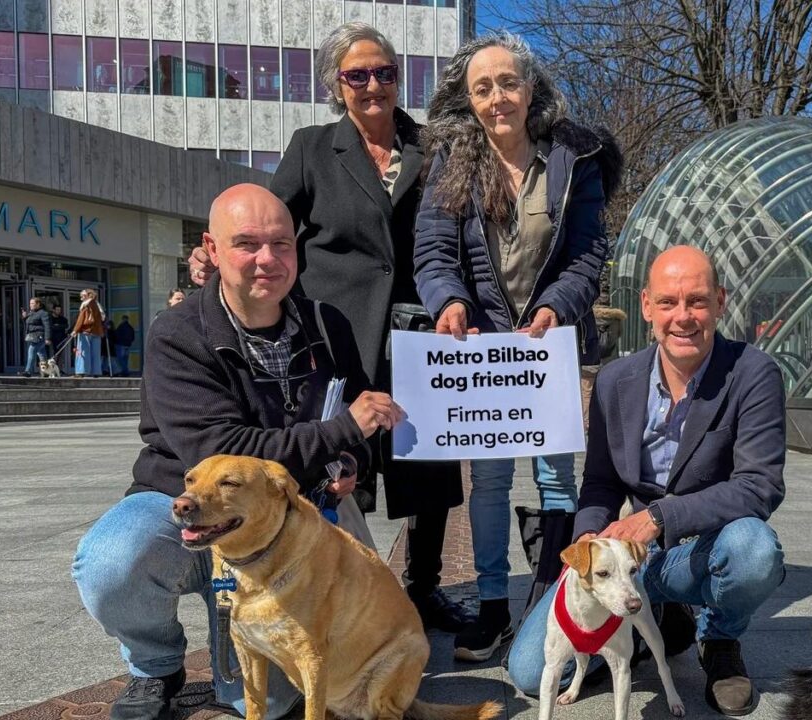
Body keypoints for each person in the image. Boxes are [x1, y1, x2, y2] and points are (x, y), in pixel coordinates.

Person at [72, 184, 402, 720]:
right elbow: (227, 451)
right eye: (247, 244)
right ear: (213, 248)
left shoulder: (327, 324)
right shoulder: (177, 334)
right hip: (187, 507)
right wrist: (342, 432)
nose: (267, 259)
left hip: (287, 520)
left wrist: (350, 462)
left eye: (281, 244)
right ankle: (156, 666)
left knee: (266, 704)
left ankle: (237, 633)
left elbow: (362, 420)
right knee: (112, 562)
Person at [187, 22, 473, 635]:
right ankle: (339, 584)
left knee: (427, 462)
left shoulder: (433, 148)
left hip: (420, 333)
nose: (372, 85)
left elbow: (452, 235)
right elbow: (267, 225)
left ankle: (424, 587)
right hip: (338, 331)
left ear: (399, 78)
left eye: (384, 73)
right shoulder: (312, 148)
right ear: (336, 86)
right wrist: (217, 258)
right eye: (356, 75)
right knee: (343, 456)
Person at [506, 246, 787, 716]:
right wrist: (589, 540)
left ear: (720, 301)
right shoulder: (615, 380)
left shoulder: (753, 374)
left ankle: (718, 639)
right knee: (531, 673)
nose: (683, 317)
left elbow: (760, 486)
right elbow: (600, 482)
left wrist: (658, 517)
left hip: (705, 546)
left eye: (697, 301)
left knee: (754, 551)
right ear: (646, 306)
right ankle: (644, 620)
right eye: (668, 302)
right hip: (627, 560)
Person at [414, 32, 622, 662]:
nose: (497, 98)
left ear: (532, 88)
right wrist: (449, 302)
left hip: (550, 345)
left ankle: (551, 594)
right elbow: (433, 252)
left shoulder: (574, 157)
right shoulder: (452, 163)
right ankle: (491, 604)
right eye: (483, 88)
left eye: (508, 83)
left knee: (557, 477)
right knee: (489, 482)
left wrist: (558, 306)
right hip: (482, 352)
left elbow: (588, 251)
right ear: (469, 99)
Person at [72, 288, 106, 377]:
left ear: (88, 295)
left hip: (86, 331)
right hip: (97, 332)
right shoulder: (97, 305)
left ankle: (82, 371)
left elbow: (81, 319)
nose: (81, 298)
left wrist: (75, 330)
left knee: (83, 352)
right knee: (96, 353)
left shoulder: (86, 305)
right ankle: (96, 372)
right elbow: (102, 319)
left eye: (82, 296)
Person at [21, 297, 52, 377]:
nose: (30, 305)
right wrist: (24, 317)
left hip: (40, 336)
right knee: (42, 354)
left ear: (38, 304)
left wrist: (47, 338)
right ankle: (46, 372)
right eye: (30, 303)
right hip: (33, 336)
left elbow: (47, 326)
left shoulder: (43, 313)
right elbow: (28, 324)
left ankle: (28, 371)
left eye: (32, 303)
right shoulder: (31, 313)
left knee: (31, 350)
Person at [49, 304, 70, 372]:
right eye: (57, 310)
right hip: (51, 338)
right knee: (51, 354)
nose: (59, 311)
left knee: (59, 355)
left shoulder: (63, 319)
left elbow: (66, 326)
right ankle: (49, 369)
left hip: (60, 339)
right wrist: (58, 326)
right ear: (53, 310)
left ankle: (58, 369)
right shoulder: (49, 318)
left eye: (60, 310)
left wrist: (57, 326)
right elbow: (50, 327)